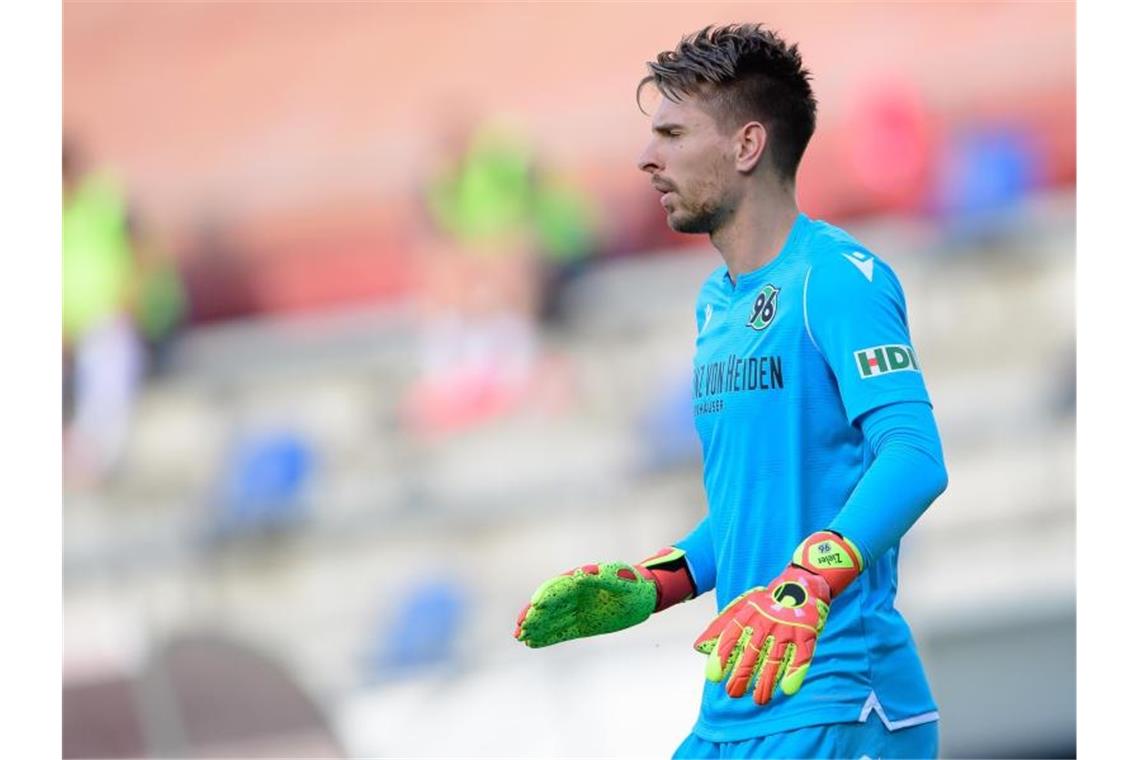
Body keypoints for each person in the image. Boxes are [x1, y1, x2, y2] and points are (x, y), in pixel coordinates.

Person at [514, 24, 948, 759]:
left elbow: (912, 457)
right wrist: (666, 579)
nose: (647, 158)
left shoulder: (836, 278)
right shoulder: (717, 303)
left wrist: (809, 582)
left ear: (747, 147)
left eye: (673, 133)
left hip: (838, 695)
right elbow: (763, 499)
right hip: (738, 699)